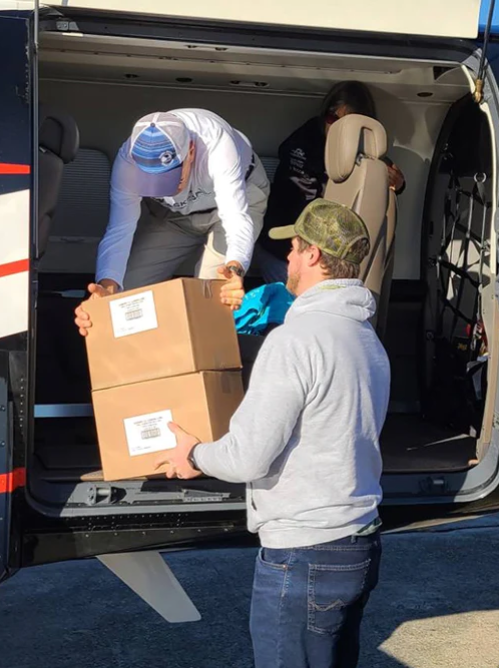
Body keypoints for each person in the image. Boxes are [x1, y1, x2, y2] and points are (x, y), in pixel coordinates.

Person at [158, 198, 391, 668]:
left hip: (304, 553)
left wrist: (195, 454)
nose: (286, 256)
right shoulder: (366, 337)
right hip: (357, 545)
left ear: (313, 256)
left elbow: (247, 456)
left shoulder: (294, 340)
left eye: (295, 247)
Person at [74, 109, 270, 335]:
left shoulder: (216, 142)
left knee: (211, 298)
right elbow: (120, 230)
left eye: (171, 176)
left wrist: (235, 269)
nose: (165, 189)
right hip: (176, 216)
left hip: (235, 202)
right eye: (151, 181)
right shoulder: (126, 162)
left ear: (191, 151)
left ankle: (203, 366)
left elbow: (235, 217)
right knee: (123, 296)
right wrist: (107, 289)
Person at [255, 81, 405, 283]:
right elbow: (301, 202)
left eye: (347, 122)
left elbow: (390, 180)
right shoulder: (301, 147)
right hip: (281, 249)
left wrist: (398, 183)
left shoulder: (369, 158)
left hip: (327, 258)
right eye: (332, 117)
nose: (336, 127)